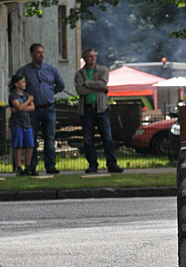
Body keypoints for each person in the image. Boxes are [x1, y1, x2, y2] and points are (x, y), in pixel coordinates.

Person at [74, 48, 124, 174]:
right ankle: (92, 164)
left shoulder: (103, 70)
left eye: (94, 56)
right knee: (88, 139)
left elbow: (103, 84)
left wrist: (87, 84)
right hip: (86, 109)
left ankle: (111, 164)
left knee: (107, 137)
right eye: (90, 56)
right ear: (85, 58)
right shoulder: (79, 74)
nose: (93, 58)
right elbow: (80, 90)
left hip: (101, 108)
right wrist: (97, 88)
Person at [20, 43, 65, 175]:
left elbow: (60, 85)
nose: (41, 55)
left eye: (42, 52)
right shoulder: (24, 71)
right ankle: (31, 166)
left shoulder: (51, 69)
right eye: (38, 52)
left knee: (50, 138)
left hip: (48, 108)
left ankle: (50, 165)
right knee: (32, 138)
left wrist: (50, 93)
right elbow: (16, 88)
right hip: (33, 109)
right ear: (32, 54)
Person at [8, 72, 35, 175]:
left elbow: (32, 107)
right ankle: (19, 167)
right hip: (17, 123)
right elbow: (18, 108)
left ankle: (27, 167)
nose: (25, 83)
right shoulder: (13, 95)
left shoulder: (26, 94)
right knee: (18, 146)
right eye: (22, 82)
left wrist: (21, 107)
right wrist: (28, 101)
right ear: (16, 84)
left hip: (26, 123)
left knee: (30, 145)